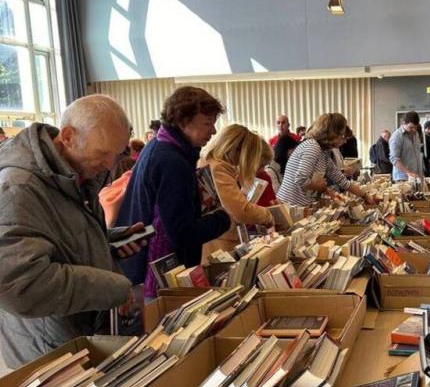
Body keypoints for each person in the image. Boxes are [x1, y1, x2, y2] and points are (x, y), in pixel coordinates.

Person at [0, 95, 146, 367]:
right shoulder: (18, 188)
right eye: (103, 154)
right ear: (67, 137)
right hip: (47, 347)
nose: (111, 166)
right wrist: (111, 286)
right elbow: (20, 285)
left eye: (118, 155)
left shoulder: (78, 171)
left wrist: (107, 241)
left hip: (76, 332)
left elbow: (59, 236)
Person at [115, 86, 231, 298]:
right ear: (183, 121)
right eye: (207, 123)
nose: (213, 131)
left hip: (142, 268)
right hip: (159, 275)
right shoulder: (172, 161)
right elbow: (181, 232)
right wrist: (223, 219)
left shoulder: (158, 146)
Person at [200, 125, 274, 258]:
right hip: (219, 244)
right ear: (238, 149)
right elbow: (240, 210)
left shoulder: (213, 164)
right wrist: (267, 215)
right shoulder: (218, 168)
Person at [277, 113, 375, 207]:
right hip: (289, 207)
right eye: (342, 136)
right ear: (332, 134)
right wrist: (321, 187)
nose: (344, 141)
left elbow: (342, 181)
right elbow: (300, 179)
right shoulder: (312, 146)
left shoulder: (323, 153)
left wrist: (365, 196)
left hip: (301, 207)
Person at [389, 111, 425, 181]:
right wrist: (409, 173)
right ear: (403, 123)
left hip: (416, 177)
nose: (414, 130)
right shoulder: (396, 136)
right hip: (403, 178)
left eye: (415, 127)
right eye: (411, 127)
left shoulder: (416, 134)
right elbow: (394, 159)